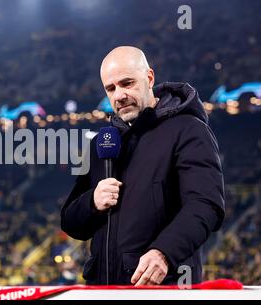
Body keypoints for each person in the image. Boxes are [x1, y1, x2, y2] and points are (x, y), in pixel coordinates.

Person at [61, 46, 225, 286]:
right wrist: (92, 203)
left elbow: (206, 205)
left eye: (127, 83)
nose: (119, 95)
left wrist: (164, 252)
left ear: (149, 78)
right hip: (102, 289)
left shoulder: (189, 130)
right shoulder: (102, 143)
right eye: (110, 88)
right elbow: (70, 222)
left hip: (163, 288)